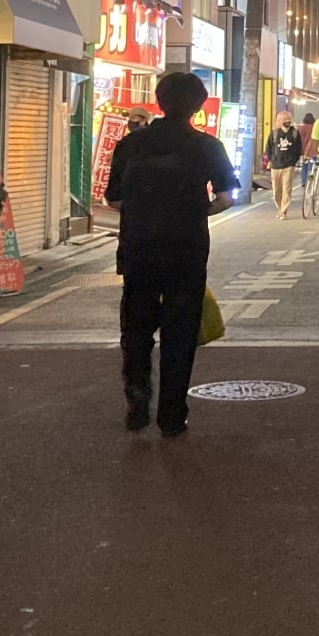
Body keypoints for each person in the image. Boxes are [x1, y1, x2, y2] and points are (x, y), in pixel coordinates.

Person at [104, 72, 236, 438]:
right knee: (180, 331)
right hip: (187, 249)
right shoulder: (207, 146)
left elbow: (114, 199)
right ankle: (172, 415)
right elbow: (226, 198)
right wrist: (196, 212)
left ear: (159, 101)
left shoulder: (131, 144)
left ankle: (137, 398)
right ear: (197, 106)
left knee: (136, 327)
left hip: (139, 247)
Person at [265, 110, 302, 219]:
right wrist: (271, 159)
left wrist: (294, 161)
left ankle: (284, 211)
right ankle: (280, 207)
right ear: (279, 121)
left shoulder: (295, 133)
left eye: (288, 119)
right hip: (275, 165)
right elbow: (268, 148)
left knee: (287, 188)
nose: (287, 121)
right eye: (284, 119)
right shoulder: (274, 133)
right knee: (276, 189)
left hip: (289, 165)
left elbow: (298, 148)